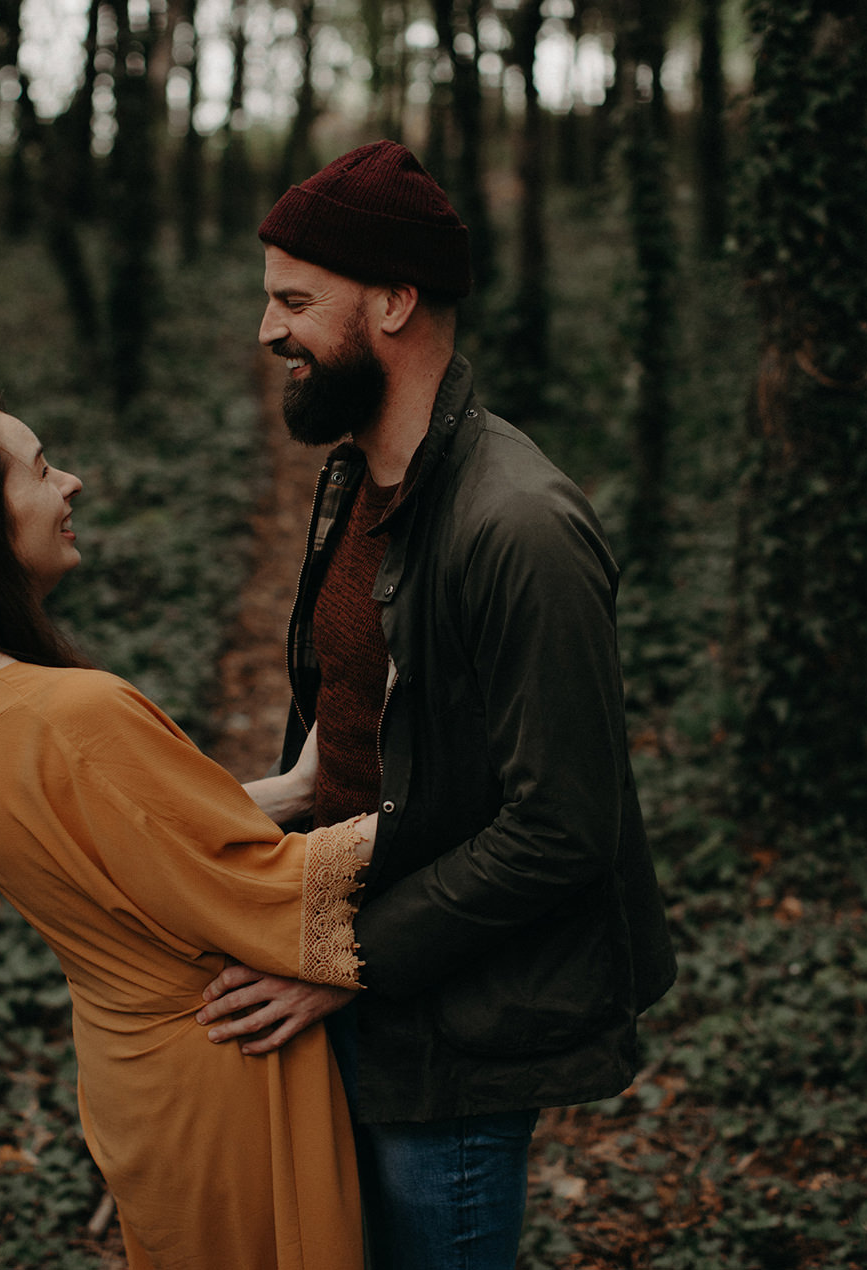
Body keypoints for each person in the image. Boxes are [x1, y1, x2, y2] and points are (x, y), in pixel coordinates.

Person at [194, 141, 679, 1268]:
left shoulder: (522, 527)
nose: (267, 331)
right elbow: (353, 734)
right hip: (364, 985)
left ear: (397, 301)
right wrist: (224, 812)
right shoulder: (358, 476)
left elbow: (562, 826)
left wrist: (336, 958)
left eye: (294, 301)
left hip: (453, 1030)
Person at [0, 394, 377, 1270]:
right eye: (43, 469)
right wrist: (464, 815)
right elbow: (262, 890)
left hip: (134, 1078)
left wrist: (300, 786)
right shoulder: (71, 714)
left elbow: (134, 838)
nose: (71, 483)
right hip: (223, 1070)